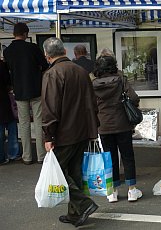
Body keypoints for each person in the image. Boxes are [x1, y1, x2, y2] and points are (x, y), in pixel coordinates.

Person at [41, 37, 99, 227]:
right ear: (65, 52)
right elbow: (92, 102)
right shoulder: (81, 71)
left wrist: (48, 135)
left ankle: (83, 205)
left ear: (47, 56)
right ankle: (75, 213)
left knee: (59, 171)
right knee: (74, 172)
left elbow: (50, 109)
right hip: (82, 129)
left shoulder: (52, 74)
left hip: (64, 133)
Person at [92, 55, 143, 203]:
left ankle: (112, 192)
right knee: (127, 156)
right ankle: (132, 191)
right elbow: (134, 97)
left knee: (109, 159)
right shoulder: (120, 80)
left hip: (103, 125)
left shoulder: (93, 84)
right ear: (113, 66)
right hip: (123, 124)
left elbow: (90, 105)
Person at [3, 22, 48, 165]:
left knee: (23, 124)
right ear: (25, 34)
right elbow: (45, 65)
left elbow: (8, 69)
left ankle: (27, 156)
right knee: (39, 122)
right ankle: (41, 155)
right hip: (36, 89)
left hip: (19, 91)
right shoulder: (33, 48)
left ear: (13, 34)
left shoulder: (8, 51)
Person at [0, 59, 21, 165]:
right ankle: (14, 153)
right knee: (12, 126)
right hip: (4, 100)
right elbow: (8, 81)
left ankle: (1, 157)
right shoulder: (2, 65)